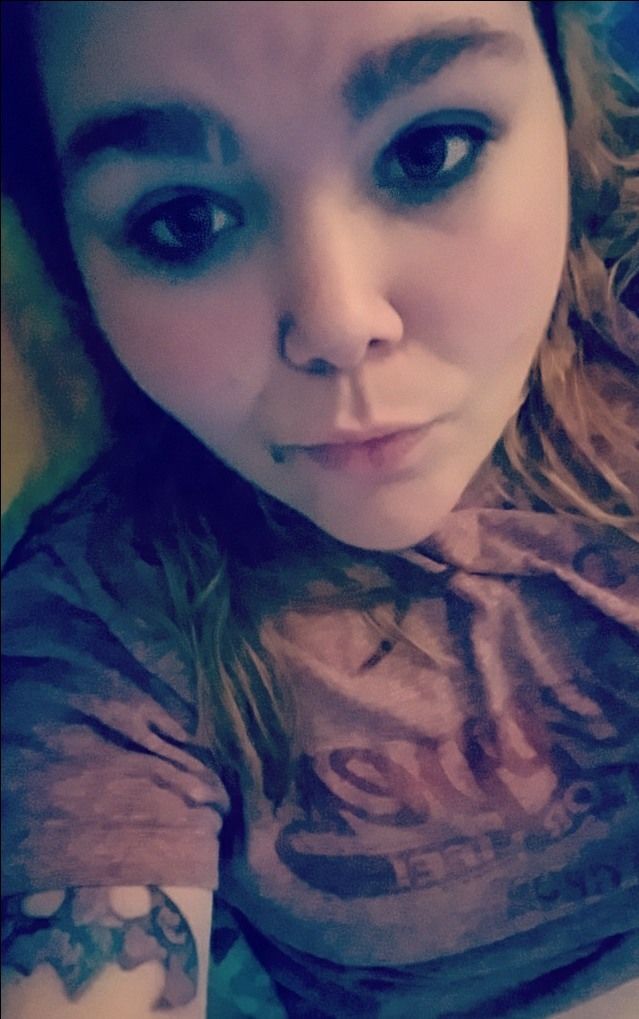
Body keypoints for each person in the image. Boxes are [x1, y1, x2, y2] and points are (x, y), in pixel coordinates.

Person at [2, 2, 638, 1017]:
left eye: (430, 151)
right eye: (184, 220)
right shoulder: (102, 629)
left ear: (564, 108)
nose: (339, 322)